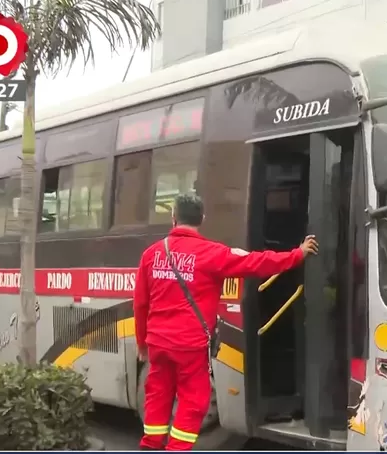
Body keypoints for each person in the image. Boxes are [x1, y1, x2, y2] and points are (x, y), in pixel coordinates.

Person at [133, 193, 319, 451]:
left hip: (158, 344)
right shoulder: (212, 253)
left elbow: (140, 304)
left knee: (157, 395)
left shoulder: (151, 255)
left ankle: (150, 445)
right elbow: (256, 263)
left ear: (173, 218)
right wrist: (296, 255)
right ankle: (176, 449)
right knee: (193, 401)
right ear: (202, 219)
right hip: (190, 346)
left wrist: (142, 343)